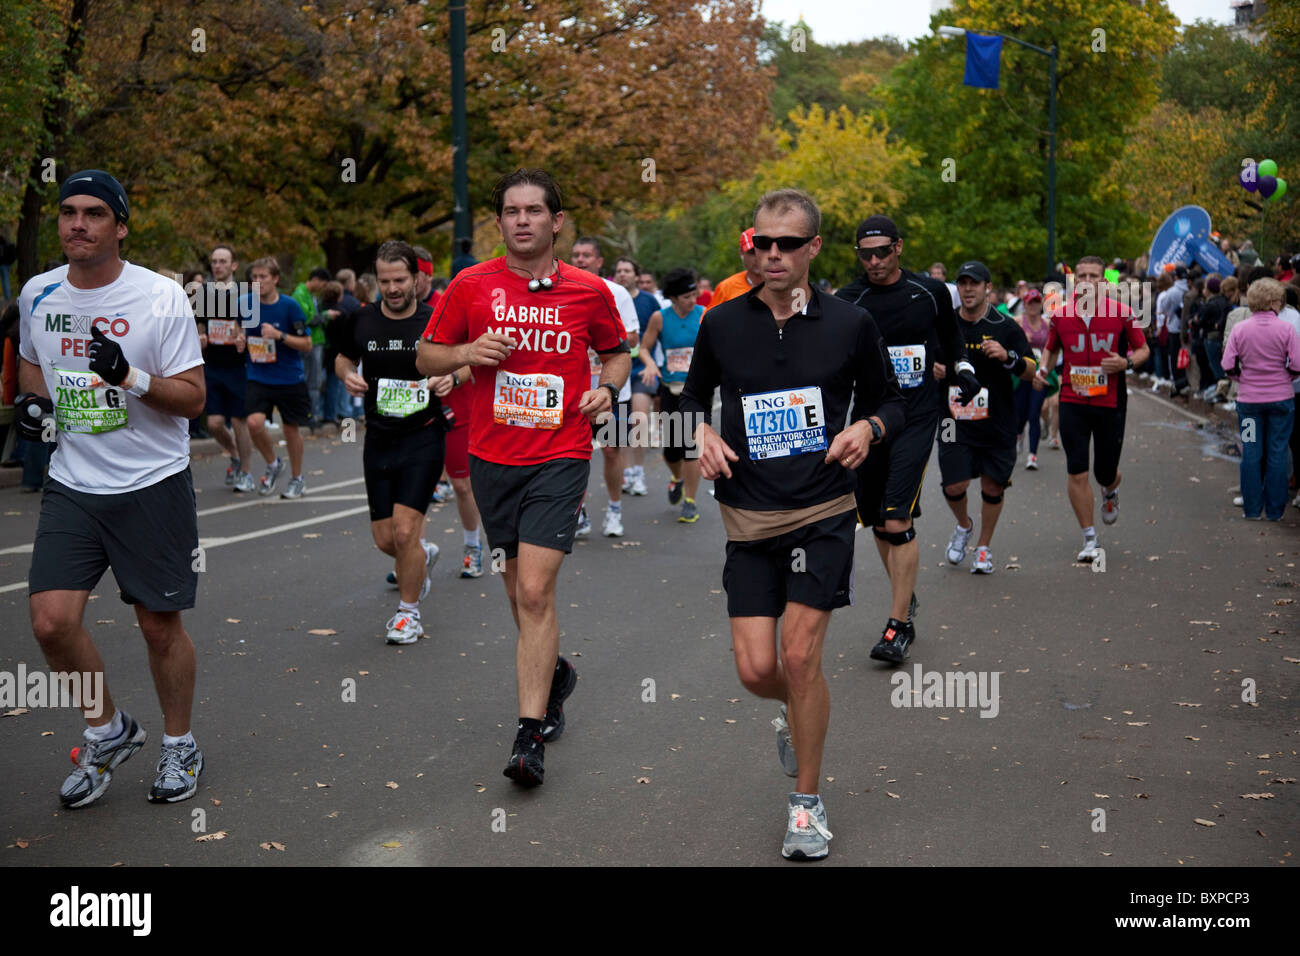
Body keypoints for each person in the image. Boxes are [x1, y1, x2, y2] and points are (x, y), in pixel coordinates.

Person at [681, 188, 904, 860]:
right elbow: (690, 396)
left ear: (812, 249)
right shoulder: (722, 324)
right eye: (761, 243)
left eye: (787, 244)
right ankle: (797, 712)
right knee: (756, 670)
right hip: (748, 517)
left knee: (800, 657)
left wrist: (868, 426)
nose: (772, 255)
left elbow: (891, 398)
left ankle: (805, 806)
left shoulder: (848, 323)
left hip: (823, 511)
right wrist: (698, 433)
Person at [416, 168, 630, 787]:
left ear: (556, 222)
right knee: (516, 592)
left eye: (535, 211)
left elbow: (616, 349)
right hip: (492, 458)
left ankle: (528, 736)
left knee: (535, 591)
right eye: (511, 211)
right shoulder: (470, 285)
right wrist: (463, 354)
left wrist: (608, 389)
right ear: (501, 220)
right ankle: (555, 672)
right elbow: (428, 353)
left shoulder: (589, 291)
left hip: (561, 453)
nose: (522, 220)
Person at [15, 169, 207, 806]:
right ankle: (109, 730)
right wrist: (33, 406)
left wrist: (129, 375)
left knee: (158, 626)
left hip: (151, 481)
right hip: (74, 482)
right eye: (68, 211)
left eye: (94, 213)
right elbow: (33, 368)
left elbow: (193, 400)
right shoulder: (38, 293)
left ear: (120, 226)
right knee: (50, 623)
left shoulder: (160, 298)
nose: (77, 223)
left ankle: (179, 745)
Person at [834, 215, 975, 662]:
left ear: (899, 248)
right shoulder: (848, 299)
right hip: (869, 420)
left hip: (917, 414)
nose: (873, 261)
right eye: (865, 253)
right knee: (876, 518)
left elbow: (953, 343)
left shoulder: (928, 292)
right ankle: (904, 595)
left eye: (882, 251)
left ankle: (898, 627)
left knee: (896, 518)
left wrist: (962, 371)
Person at [334, 241, 451, 643]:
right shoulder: (362, 320)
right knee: (386, 540)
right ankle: (423, 555)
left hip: (424, 437)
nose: (393, 288)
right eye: (385, 281)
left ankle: (408, 614)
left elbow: (465, 361)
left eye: (400, 279)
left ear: (417, 278)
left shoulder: (434, 320)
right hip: (379, 438)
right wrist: (346, 373)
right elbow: (343, 356)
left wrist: (453, 376)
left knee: (404, 534)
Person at [1035, 256, 1149, 562]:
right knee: (1077, 469)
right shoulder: (1061, 315)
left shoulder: (1122, 313)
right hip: (1072, 399)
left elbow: (1143, 350)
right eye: (1081, 275)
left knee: (1105, 471)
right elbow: (1051, 347)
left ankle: (1110, 490)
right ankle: (1089, 538)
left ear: (1104, 281)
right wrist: (1043, 372)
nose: (1087, 280)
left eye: (1094, 276)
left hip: (1110, 402)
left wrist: (1125, 363)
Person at [937, 262, 1036, 574]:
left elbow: (1032, 370)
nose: (968, 289)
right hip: (954, 420)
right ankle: (964, 525)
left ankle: (983, 547)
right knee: (954, 485)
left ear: (987, 288)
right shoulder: (945, 324)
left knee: (993, 488)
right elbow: (930, 360)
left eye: (975, 283)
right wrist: (935, 370)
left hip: (997, 420)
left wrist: (1008, 357)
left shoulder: (1005, 326)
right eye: (963, 283)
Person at [570, 236, 640, 538]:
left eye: (587, 255)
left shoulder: (616, 293)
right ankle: (578, 511)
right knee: (574, 454)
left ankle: (614, 509)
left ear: (599, 262)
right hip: (574, 393)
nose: (580, 260)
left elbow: (633, 339)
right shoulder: (564, 291)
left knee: (611, 450)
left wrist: (603, 343)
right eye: (576, 255)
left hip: (611, 391)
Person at [1221, 277, 1300, 520]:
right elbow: (1297, 364)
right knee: (1277, 451)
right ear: (1275, 302)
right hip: (1281, 400)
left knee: (1251, 451)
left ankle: (1252, 509)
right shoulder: (1286, 329)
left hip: (1249, 402)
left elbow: (1227, 365)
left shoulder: (1240, 329)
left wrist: (1240, 378)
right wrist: (1284, 377)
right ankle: (1276, 510)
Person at [636, 267, 705, 522]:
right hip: (670, 388)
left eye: (694, 295)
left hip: (696, 390)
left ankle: (690, 501)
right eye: (686, 297)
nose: (692, 300)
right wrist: (651, 364)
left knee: (691, 446)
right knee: (672, 450)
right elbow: (644, 348)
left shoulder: (703, 315)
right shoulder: (660, 318)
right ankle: (676, 478)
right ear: (674, 297)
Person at [242, 257, 313, 498]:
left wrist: (279, 335)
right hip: (258, 375)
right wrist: (239, 339)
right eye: (254, 277)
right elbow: (238, 331)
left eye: (263, 277)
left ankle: (297, 478)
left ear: (275, 279)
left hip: (288, 377)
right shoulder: (245, 303)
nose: (258, 281)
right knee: (254, 422)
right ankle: (273, 463)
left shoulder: (290, 306)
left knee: (291, 430)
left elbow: (307, 344)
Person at [195, 244, 255, 491]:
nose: (217, 265)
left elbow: (255, 331)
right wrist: (200, 338)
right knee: (215, 424)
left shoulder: (246, 294)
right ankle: (234, 453)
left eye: (223, 261)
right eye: (214, 261)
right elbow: (199, 325)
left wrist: (242, 337)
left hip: (238, 367)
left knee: (240, 421)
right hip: (213, 366)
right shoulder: (203, 293)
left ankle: (246, 472)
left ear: (234, 266)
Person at [612, 255, 662, 497]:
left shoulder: (649, 301)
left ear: (636, 275)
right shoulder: (609, 297)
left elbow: (660, 332)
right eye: (619, 270)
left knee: (640, 419)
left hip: (641, 369)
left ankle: (639, 472)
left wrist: (656, 364)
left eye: (627, 270)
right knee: (620, 427)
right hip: (615, 368)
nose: (623, 274)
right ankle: (627, 471)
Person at [708, 229, 762, 312]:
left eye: (762, 251)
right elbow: (707, 322)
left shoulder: (782, 285)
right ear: (741, 253)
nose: (758, 258)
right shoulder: (726, 288)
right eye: (752, 252)